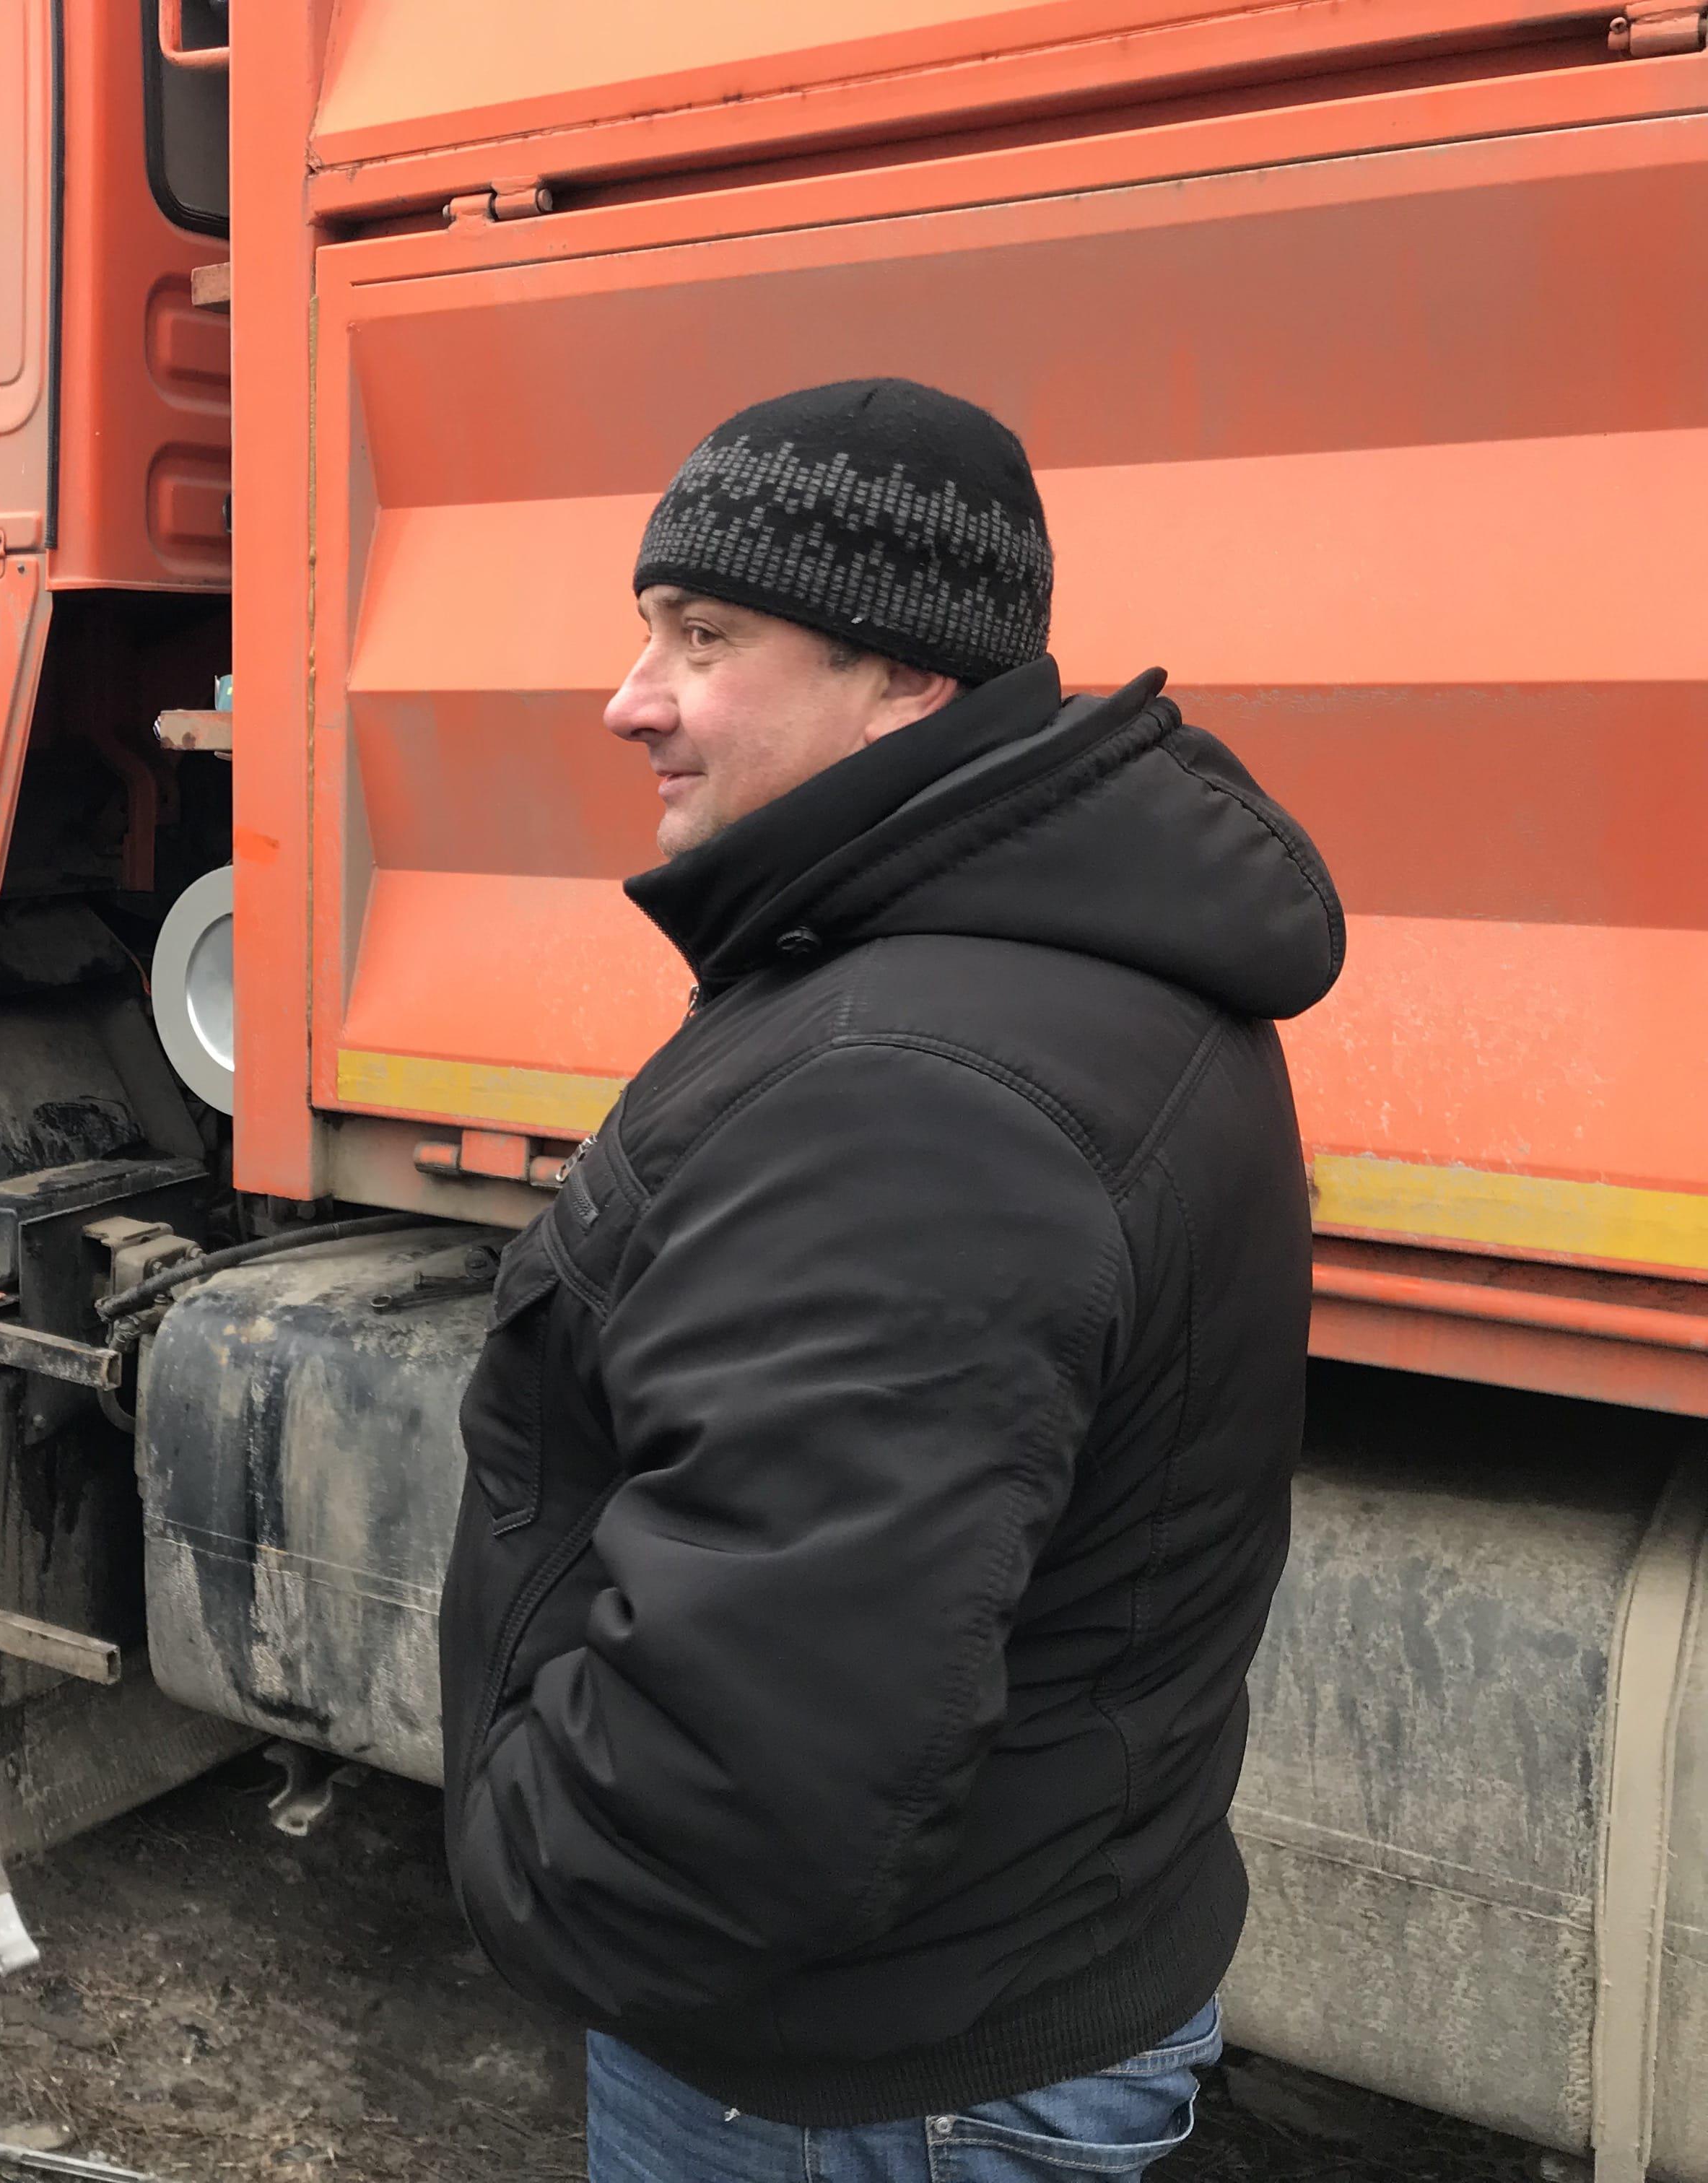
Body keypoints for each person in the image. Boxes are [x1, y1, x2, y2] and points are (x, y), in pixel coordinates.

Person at [436, 379, 1344, 2182]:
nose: (635, 699)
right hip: (978, 2013)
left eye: (706, 638)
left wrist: (531, 1872)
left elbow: (763, 1752)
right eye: (648, 632)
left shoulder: (910, 1087)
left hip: (849, 2084)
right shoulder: (1041, 963)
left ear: (910, 679)